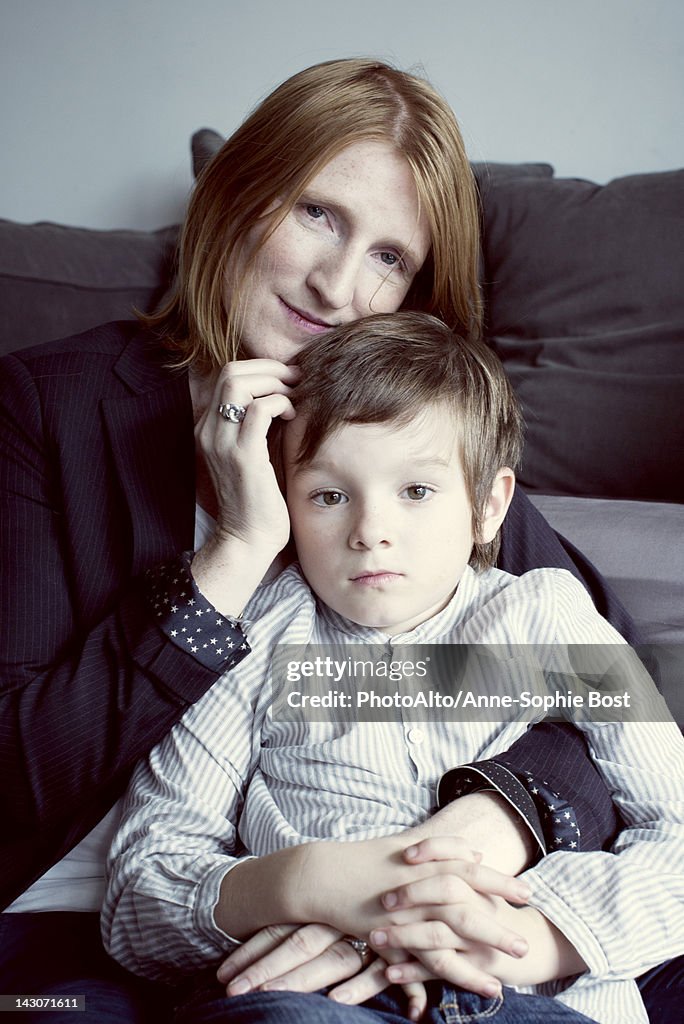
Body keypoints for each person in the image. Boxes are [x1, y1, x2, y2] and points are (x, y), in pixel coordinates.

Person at [0, 57, 636, 1019]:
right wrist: (236, 557)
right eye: (317, 214)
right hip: (77, 926)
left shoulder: (402, 447)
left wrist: (491, 818)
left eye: (391, 258)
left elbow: (611, 685)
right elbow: (19, 774)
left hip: (402, 926)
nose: (340, 287)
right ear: (236, 195)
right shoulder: (43, 408)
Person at [102, 312, 684, 1024]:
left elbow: (677, 823)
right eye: (329, 495)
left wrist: (542, 935)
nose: (370, 529)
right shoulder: (256, 637)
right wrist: (298, 883)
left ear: (489, 506)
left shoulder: (548, 618)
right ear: (284, 501)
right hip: (315, 998)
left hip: (522, 991)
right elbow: (140, 890)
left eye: (415, 491)